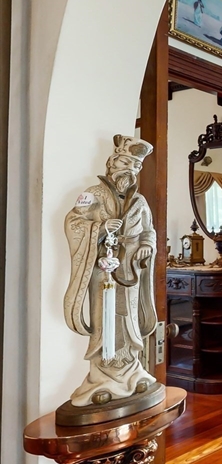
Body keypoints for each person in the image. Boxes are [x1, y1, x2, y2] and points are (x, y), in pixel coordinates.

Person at [64, 135, 158, 406]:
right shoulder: (92, 194)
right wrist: (101, 229)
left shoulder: (139, 201)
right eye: (126, 163)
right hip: (102, 271)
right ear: (113, 163)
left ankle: (132, 372)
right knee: (105, 319)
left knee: (128, 320)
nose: (130, 171)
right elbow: (74, 221)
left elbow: (149, 231)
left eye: (136, 167)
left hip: (130, 271)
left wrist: (145, 247)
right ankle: (103, 378)